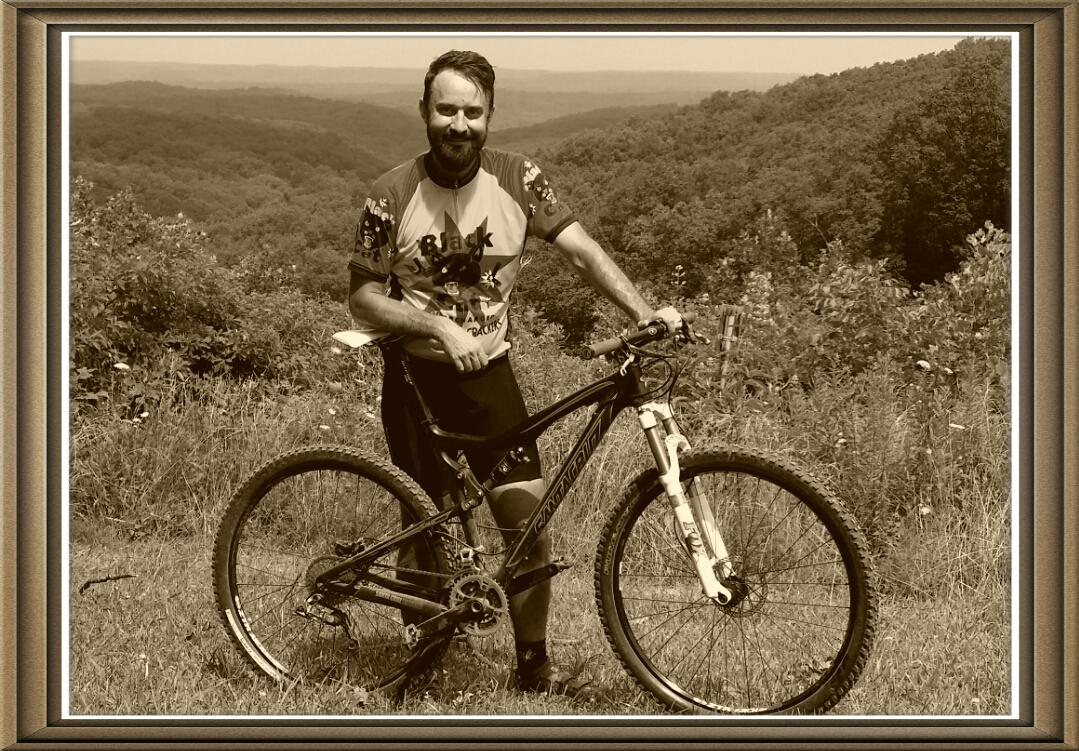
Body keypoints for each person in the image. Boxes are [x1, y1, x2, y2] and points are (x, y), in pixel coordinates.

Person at [347, 49, 680, 699]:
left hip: (490, 378)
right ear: (424, 111)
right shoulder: (389, 193)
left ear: (490, 116)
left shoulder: (520, 179)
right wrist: (438, 326)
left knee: (525, 522)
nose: (458, 124)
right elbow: (362, 297)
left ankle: (532, 664)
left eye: (472, 111)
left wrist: (643, 310)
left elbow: (582, 251)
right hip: (417, 378)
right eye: (446, 109)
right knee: (427, 522)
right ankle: (423, 653)